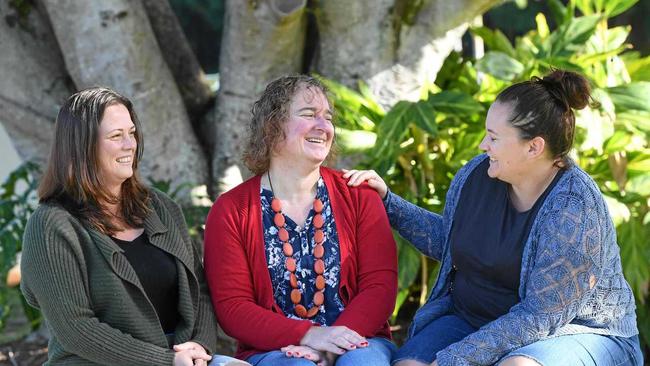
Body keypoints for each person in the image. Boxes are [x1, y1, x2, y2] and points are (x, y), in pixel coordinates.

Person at [344, 70, 644, 366]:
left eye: (494, 138)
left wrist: (453, 360)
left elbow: (539, 317)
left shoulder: (574, 209)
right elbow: (450, 242)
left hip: (574, 332)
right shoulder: (478, 173)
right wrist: (387, 202)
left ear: (533, 147)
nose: (483, 146)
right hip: (472, 318)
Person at [20, 87, 245, 366]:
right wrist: (164, 361)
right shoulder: (51, 225)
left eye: (132, 132)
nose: (130, 144)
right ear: (82, 147)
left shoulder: (161, 208)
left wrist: (198, 346)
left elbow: (198, 289)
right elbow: (76, 329)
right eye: (116, 136)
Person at [203, 75, 398, 366]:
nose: (323, 126)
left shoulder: (359, 195)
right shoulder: (231, 211)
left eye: (328, 117)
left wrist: (332, 344)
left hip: (359, 340)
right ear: (272, 127)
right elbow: (234, 307)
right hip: (275, 350)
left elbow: (380, 286)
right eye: (308, 115)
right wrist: (307, 335)